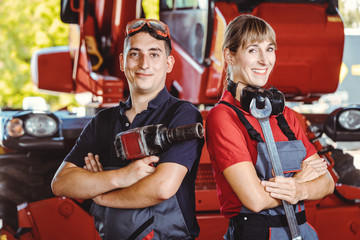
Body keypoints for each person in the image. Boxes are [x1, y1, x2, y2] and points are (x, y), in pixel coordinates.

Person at [51, 18, 204, 240]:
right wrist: (122, 177)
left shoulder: (182, 115)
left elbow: (162, 187)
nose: (144, 64)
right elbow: (61, 182)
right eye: (135, 54)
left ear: (168, 63)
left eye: (154, 54)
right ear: (123, 61)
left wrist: (101, 194)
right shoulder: (103, 122)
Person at [205, 15, 334, 240]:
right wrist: (301, 180)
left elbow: (327, 182)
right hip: (256, 233)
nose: (265, 60)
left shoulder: (285, 115)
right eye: (253, 50)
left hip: (302, 232)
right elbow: (254, 200)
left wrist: (299, 189)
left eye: (270, 49)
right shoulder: (223, 117)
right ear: (229, 56)